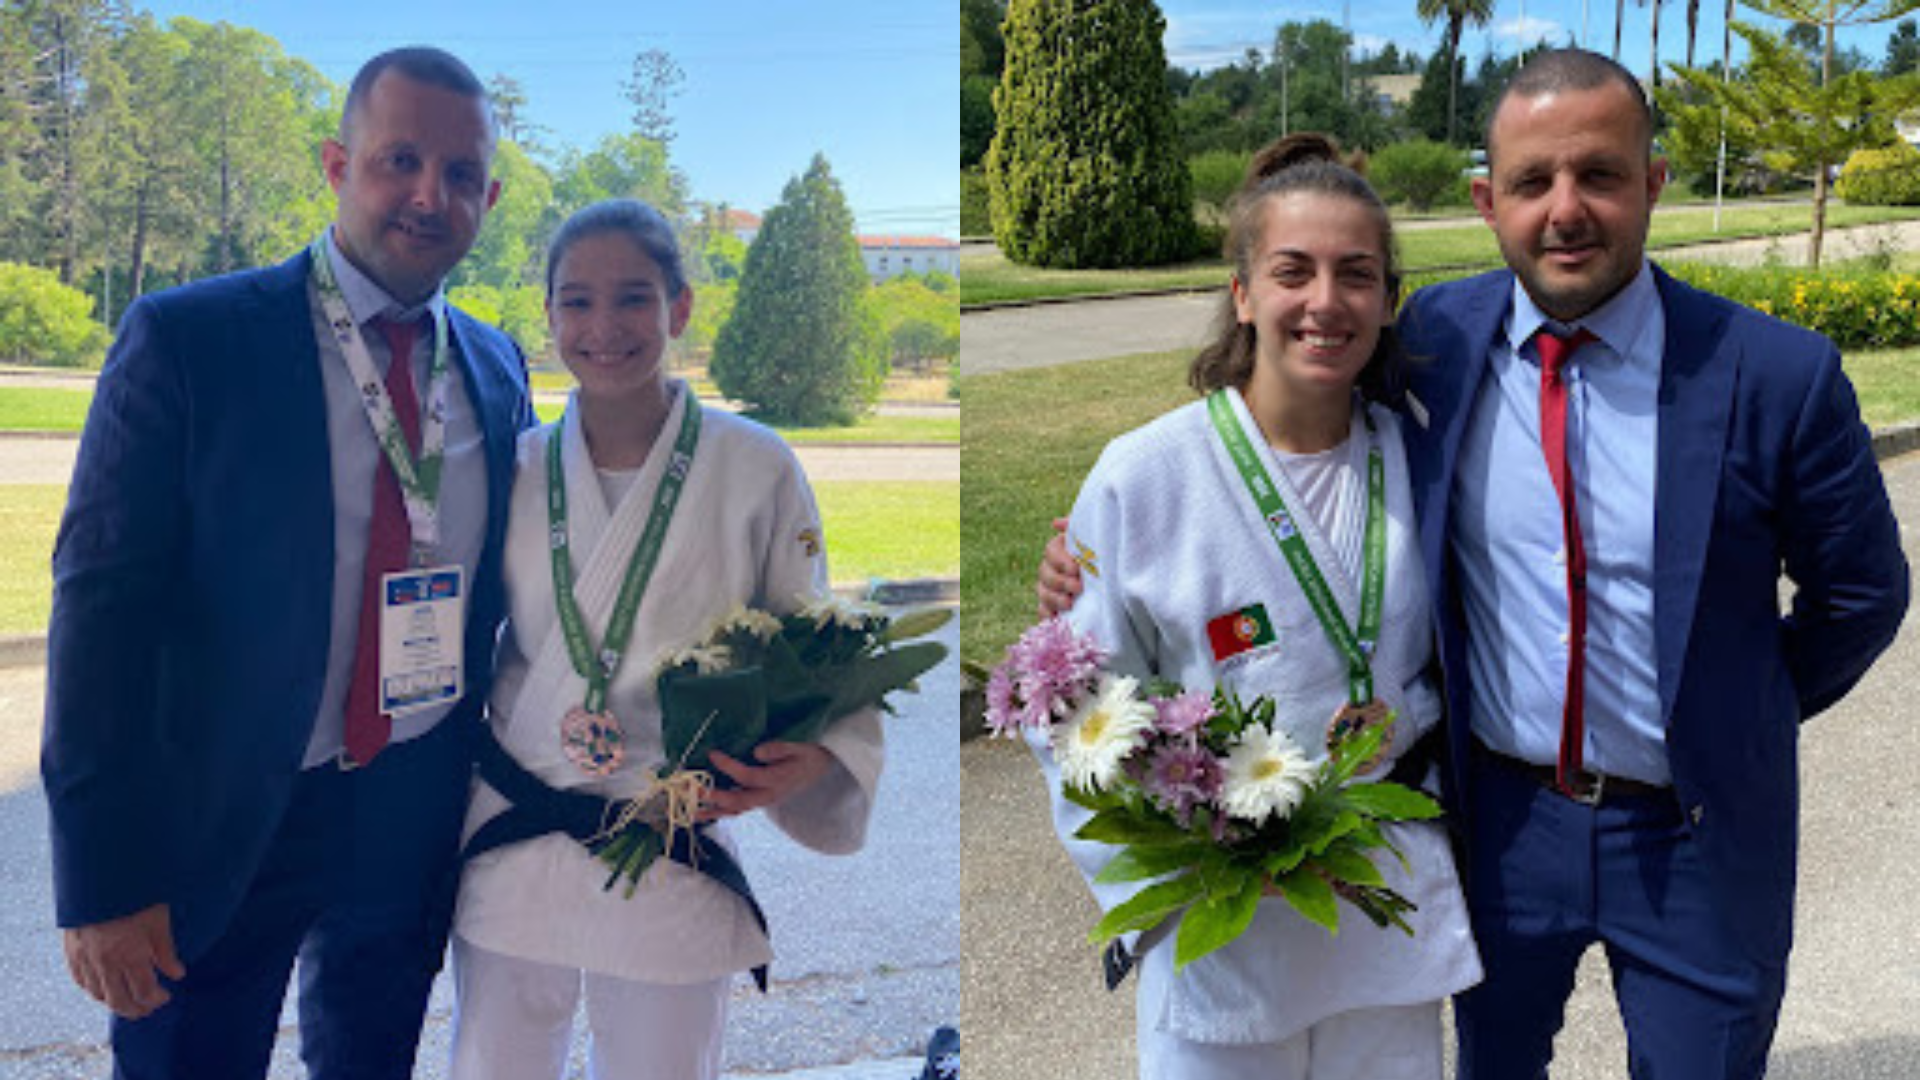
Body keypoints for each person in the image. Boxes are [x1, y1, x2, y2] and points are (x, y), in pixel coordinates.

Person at [1042, 49, 1909, 1080]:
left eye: (1601, 174)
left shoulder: (1775, 373)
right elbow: (1281, 412)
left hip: (1695, 835)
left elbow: (1862, 594)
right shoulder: (1442, 343)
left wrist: (1729, 708)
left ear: (1654, 183)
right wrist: (1093, 547)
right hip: (1501, 827)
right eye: (1534, 182)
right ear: (1486, 200)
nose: (1567, 209)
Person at [43, 47, 529, 1078]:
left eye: (458, 173)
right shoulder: (189, 339)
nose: (427, 195)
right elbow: (100, 613)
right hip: (216, 820)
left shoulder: (495, 364)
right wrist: (99, 880)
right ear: (335, 163)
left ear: (488, 194)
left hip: (409, 807)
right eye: (399, 159)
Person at [1032, 135, 1480, 1080]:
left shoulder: (1424, 459)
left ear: (1389, 298)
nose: (1327, 302)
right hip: (1221, 926)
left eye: (1357, 274)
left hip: (1382, 907)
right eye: (1293, 272)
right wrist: (1161, 876)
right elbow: (1071, 716)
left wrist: (1415, 735)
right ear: (1242, 292)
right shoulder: (1146, 476)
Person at [446, 199, 884, 1080]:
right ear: (549, 316)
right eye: (576, 301)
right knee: (494, 1063)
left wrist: (822, 755)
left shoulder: (756, 465)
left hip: (672, 824)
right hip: (518, 817)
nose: (603, 327)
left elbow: (816, 639)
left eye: (633, 299)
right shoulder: (518, 468)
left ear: (679, 309)